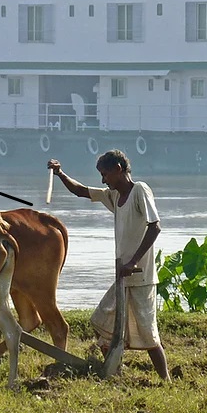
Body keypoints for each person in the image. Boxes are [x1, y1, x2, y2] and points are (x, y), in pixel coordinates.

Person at [47, 150, 170, 380]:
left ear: (119, 169)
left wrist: (133, 261)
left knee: (149, 334)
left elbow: (155, 227)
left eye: (105, 174)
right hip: (122, 277)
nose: (103, 180)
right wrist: (60, 173)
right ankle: (114, 369)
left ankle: (166, 380)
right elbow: (81, 191)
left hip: (141, 277)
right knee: (102, 320)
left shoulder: (139, 191)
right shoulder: (113, 196)